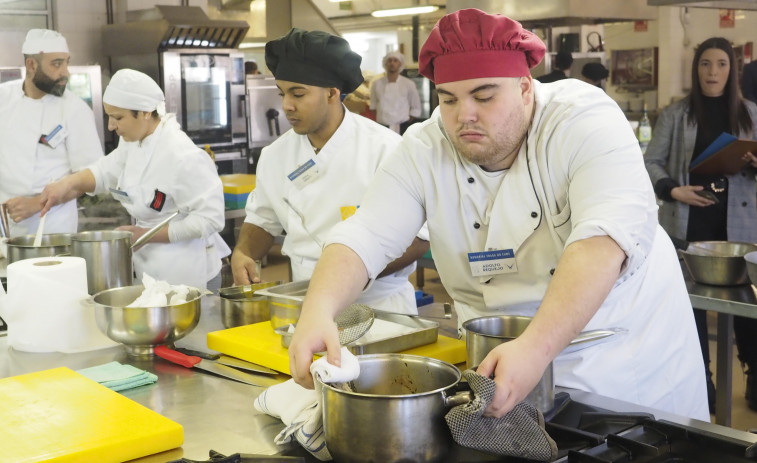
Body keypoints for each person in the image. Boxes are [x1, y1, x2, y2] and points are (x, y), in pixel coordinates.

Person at [287, 8, 709, 422]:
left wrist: (536, 348)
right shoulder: (426, 145)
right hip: (497, 363)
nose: (462, 116)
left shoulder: (583, 119)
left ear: (526, 89)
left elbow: (601, 242)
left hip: (617, 359)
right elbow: (366, 234)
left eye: (484, 96)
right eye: (448, 99)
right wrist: (318, 309)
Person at [230, 28, 429, 314]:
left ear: (332, 93)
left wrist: (346, 275)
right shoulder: (276, 155)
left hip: (379, 309)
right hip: (304, 303)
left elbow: (418, 238)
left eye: (298, 94)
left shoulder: (385, 149)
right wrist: (243, 252)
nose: (287, 105)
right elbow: (263, 219)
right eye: (283, 93)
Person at [39, 69, 230, 291]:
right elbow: (105, 171)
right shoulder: (132, 142)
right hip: (149, 270)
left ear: (145, 113)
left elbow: (211, 219)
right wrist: (65, 184)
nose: (111, 126)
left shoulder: (183, 156)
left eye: (118, 117)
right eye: (109, 116)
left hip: (189, 274)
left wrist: (147, 235)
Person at [645, 37, 757, 412]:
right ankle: (700, 379)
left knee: (748, 309)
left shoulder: (752, 115)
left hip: (739, 230)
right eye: (705, 64)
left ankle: (754, 372)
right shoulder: (676, 115)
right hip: (689, 225)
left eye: (721, 64)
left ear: (733, 70)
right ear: (696, 69)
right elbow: (651, 161)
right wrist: (674, 190)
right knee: (687, 308)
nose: (713, 72)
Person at [0, 29, 103, 237]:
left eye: (66, 62)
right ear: (31, 65)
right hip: (4, 225)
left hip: (52, 227)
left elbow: (90, 177)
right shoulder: (3, 98)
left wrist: (37, 203)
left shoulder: (75, 110)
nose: (66, 72)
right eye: (56, 64)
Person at [369, 51, 422, 134]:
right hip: (382, 126)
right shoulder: (377, 84)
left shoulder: (408, 84)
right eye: (389, 60)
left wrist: (405, 122)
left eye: (395, 60)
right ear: (385, 64)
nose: (392, 63)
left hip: (402, 126)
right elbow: (373, 105)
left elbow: (416, 107)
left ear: (400, 64)